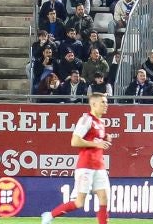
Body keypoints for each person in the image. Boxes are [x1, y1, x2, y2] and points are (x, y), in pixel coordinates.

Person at [41, 89, 113, 224]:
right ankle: (49, 215)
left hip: (99, 167)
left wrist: (105, 138)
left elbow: (96, 140)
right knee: (79, 202)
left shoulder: (101, 122)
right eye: (103, 102)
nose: (106, 105)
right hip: (86, 166)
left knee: (104, 198)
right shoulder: (86, 119)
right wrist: (96, 144)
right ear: (94, 104)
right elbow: (74, 141)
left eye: (106, 102)